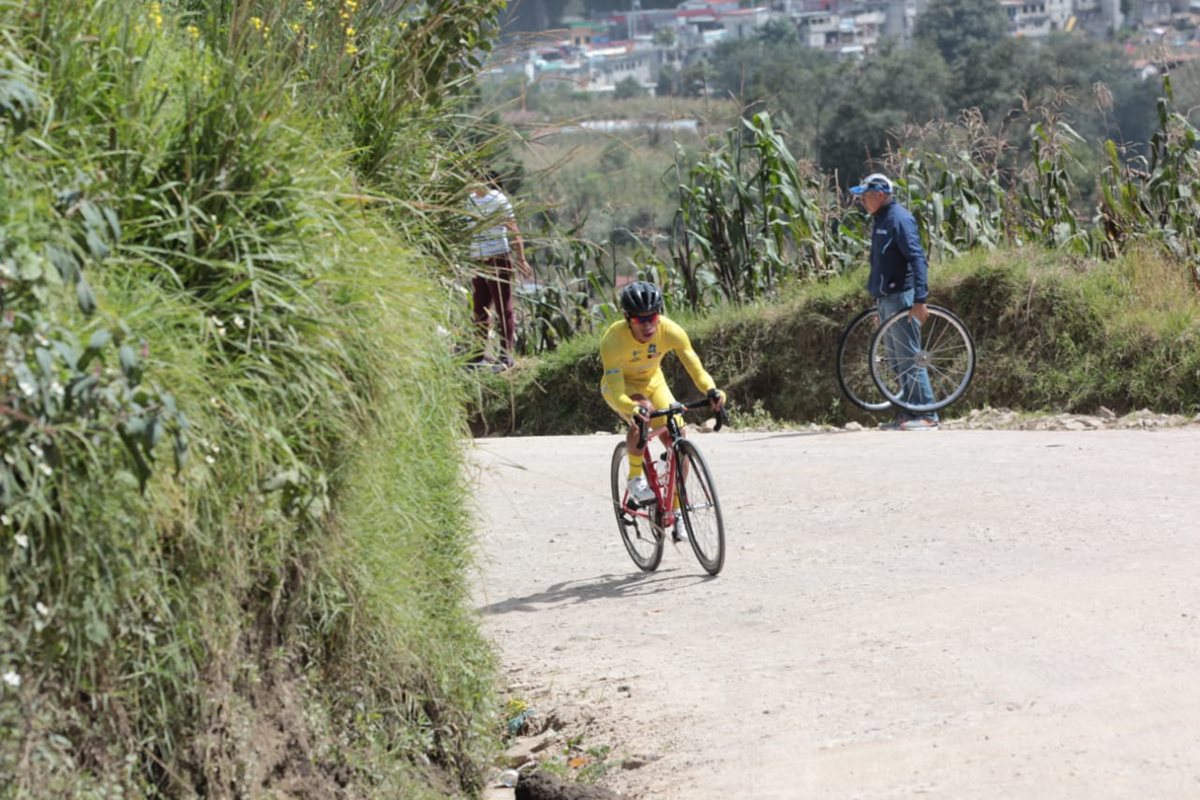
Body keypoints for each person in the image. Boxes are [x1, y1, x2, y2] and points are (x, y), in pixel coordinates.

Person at [599, 280, 725, 540]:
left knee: (678, 435)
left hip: (654, 382)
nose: (647, 325)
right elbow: (617, 388)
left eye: (652, 318)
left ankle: (677, 511)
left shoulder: (670, 330)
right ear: (627, 319)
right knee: (643, 410)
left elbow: (695, 367)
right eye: (639, 320)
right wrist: (632, 408)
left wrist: (711, 390)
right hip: (621, 389)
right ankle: (635, 478)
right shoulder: (612, 339)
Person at [849, 172, 938, 431]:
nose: (862, 201)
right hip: (886, 299)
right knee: (896, 360)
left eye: (865, 196)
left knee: (910, 356)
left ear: (880, 194)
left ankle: (927, 414)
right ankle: (908, 414)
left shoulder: (900, 219)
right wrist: (878, 304)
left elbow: (917, 259)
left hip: (902, 297)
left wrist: (920, 299)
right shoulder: (880, 220)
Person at [466, 170, 532, 370]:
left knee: (504, 308)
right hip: (478, 260)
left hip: (498, 258)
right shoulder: (470, 200)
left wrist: (521, 258)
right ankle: (477, 356)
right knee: (480, 308)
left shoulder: (499, 200)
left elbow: (513, 229)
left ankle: (506, 355)